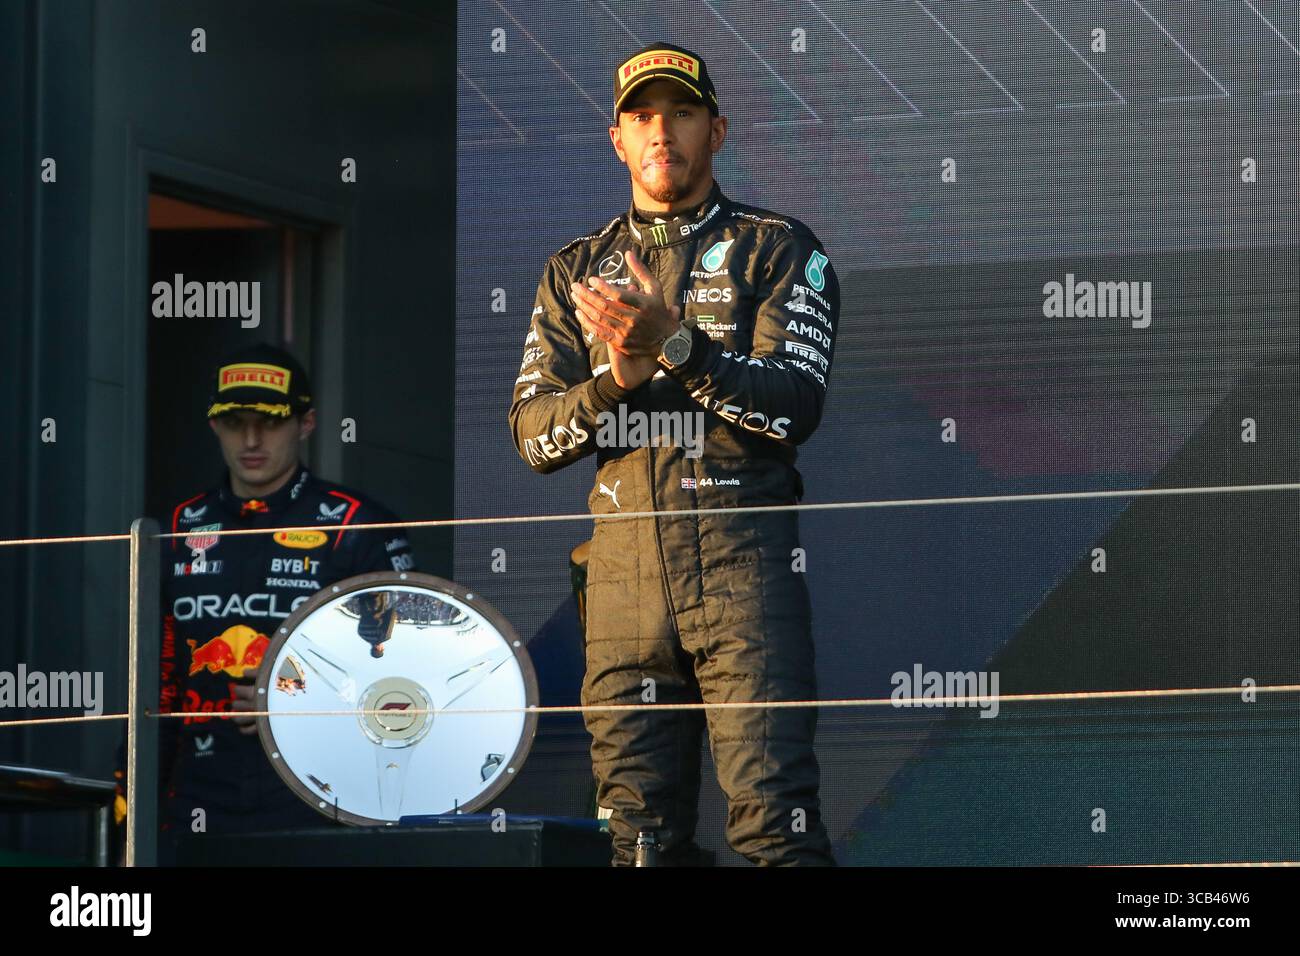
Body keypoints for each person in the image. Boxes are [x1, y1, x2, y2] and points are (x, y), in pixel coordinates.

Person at [509, 42, 839, 865]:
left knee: (774, 824)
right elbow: (532, 436)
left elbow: (794, 408)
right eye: (642, 116)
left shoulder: (781, 248)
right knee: (637, 841)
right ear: (616, 139)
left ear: (717, 130)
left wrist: (679, 346)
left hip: (742, 563)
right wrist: (614, 383)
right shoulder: (573, 270)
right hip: (620, 575)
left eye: (682, 112)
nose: (662, 131)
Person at [115, 343, 416, 860]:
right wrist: (128, 797)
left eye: (271, 422)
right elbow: (157, 681)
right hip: (196, 796)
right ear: (214, 425)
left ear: (306, 423)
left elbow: (410, 673)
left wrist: (302, 699)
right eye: (235, 421)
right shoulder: (179, 526)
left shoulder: (358, 524)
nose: (251, 439)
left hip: (320, 794)